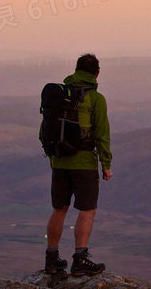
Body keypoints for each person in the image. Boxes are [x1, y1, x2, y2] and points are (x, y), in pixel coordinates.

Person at [44, 53, 112, 276]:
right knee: (87, 209)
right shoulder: (95, 98)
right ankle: (80, 259)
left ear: (76, 70)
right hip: (83, 162)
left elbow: (44, 129)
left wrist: (54, 156)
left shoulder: (60, 95)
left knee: (59, 209)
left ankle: (52, 258)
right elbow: (102, 134)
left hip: (59, 161)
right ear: (97, 73)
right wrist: (106, 164)